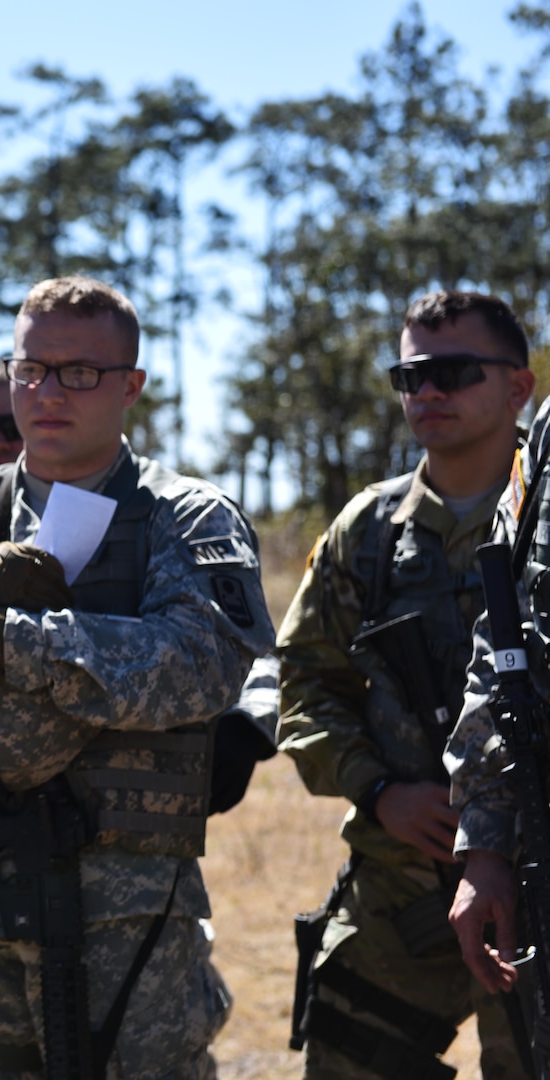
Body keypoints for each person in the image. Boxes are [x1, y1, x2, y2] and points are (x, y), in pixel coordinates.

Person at [0, 275, 271, 1078]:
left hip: (124, 911)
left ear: (132, 386)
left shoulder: (185, 516)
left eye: (80, 373)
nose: (46, 393)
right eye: (31, 369)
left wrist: (17, 645)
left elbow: (201, 665)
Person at [276, 290, 534, 1080]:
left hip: (538, 876)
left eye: (453, 372)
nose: (426, 394)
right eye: (409, 376)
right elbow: (305, 682)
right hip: (404, 886)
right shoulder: (370, 532)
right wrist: (380, 787)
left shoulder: (545, 519)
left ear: (519, 386)